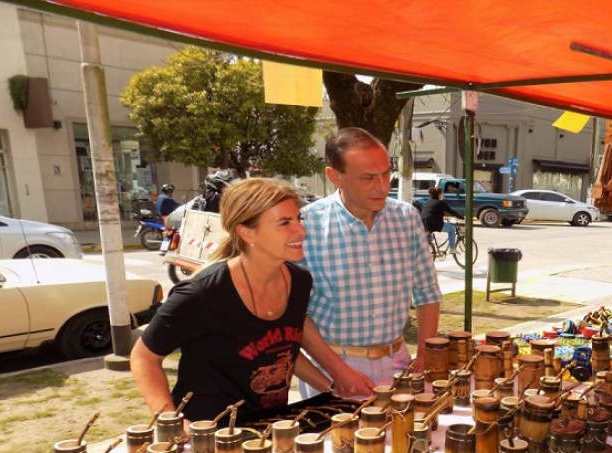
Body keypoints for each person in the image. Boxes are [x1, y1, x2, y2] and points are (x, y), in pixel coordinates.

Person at [131, 178, 332, 425]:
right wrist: (169, 418)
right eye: (284, 223)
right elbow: (143, 358)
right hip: (208, 434)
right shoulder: (201, 293)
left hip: (270, 424)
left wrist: (333, 387)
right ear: (246, 232)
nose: (301, 231)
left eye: (298, 219)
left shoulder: (300, 282)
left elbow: (283, 352)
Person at [298, 127, 442, 399]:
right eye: (368, 178)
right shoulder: (307, 225)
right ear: (334, 176)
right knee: (337, 442)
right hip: (332, 365)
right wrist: (338, 371)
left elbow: (427, 291)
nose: (383, 186)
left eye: (387, 173)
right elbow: (296, 315)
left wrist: (425, 354)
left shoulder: (406, 218)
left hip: (397, 360)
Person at [420, 186, 461, 254]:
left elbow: (431, 212)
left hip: (423, 222)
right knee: (452, 229)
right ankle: (452, 248)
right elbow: (451, 211)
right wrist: (461, 217)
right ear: (439, 195)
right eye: (442, 194)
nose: (443, 195)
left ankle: (432, 249)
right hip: (434, 223)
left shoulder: (428, 201)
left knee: (428, 235)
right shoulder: (440, 203)